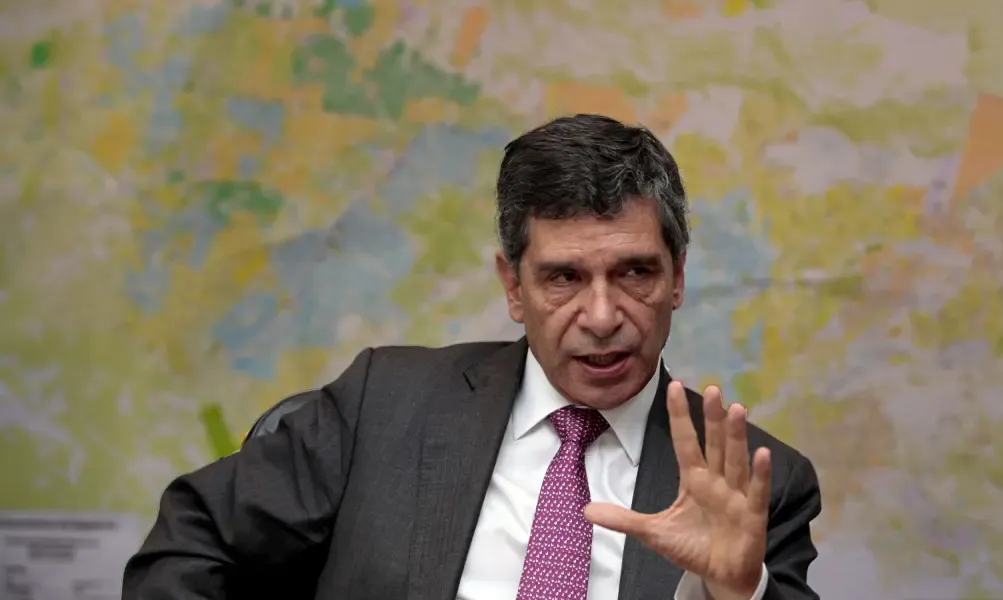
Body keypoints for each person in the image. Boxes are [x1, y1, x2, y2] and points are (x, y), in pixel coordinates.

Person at [123, 114, 822, 600]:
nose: (603, 316)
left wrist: (736, 594)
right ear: (513, 287)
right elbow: (194, 537)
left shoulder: (760, 486)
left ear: (677, 278)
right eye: (563, 278)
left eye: (634, 273)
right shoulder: (383, 403)